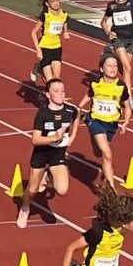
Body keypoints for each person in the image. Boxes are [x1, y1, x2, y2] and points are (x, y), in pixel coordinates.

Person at [16, 76, 80, 229]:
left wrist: (72, 136)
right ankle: (24, 209)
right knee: (32, 189)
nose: (61, 94)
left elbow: (77, 116)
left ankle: (48, 174)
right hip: (41, 154)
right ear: (48, 94)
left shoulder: (70, 110)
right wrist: (54, 137)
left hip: (57, 156)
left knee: (62, 190)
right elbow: (35, 140)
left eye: (63, 91)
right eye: (56, 91)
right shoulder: (43, 114)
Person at [80, 51, 133, 168]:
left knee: (99, 153)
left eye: (115, 66)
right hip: (96, 120)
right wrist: (79, 107)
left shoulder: (121, 86)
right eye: (109, 65)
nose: (113, 68)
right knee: (107, 154)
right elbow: (89, 94)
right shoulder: (95, 83)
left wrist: (126, 122)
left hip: (111, 123)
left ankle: (104, 179)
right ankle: (109, 184)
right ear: (101, 68)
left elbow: (127, 106)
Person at [27, 0, 68, 88]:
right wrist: (38, 51)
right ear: (47, 4)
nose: (56, 3)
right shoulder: (45, 15)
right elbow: (33, 32)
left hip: (56, 48)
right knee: (49, 81)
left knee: (56, 78)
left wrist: (66, 33)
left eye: (57, 0)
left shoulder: (64, 14)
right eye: (53, 1)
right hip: (44, 47)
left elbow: (64, 24)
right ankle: (38, 67)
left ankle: (51, 97)